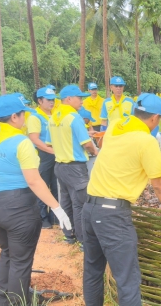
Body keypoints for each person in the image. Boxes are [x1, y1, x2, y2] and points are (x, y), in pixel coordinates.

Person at [0, 93, 71, 305]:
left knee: (8, 252)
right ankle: (19, 301)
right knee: (21, 261)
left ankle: (1, 300)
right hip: (18, 209)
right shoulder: (21, 142)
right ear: (14, 117)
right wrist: (57, 207)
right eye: (23, 114)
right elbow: (34, 181)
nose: (24, 119)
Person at [84, 93, 161, 305]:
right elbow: (158, 183)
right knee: (127, 279)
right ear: (155, 118)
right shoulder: (146, 141)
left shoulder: (115, 125)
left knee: (93, 271)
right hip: (112, 214)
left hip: (90, 207)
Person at [46, 85, 98, 248]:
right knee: (80, 204)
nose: (82, 101)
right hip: (75, 168)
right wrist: (95, 151)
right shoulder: (74, 117)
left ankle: (69, 235)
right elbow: (87, 144)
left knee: (67, 202)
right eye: (79, 98)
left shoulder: (53, 117)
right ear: (68, 99)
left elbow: (50, 143)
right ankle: (84, 241)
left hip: (60, 166)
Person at [27, 87, 59, 229]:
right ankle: (42, 217)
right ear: (40, 101)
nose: (52, 102)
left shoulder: (55, 114)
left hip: (56, 153)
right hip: (43, 155)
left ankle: (54, 216)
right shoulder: (35, 117)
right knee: (43, 185)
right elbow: (35, 139)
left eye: (53, 99)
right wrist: (50, 150)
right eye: (48, 100)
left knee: (56, 185)